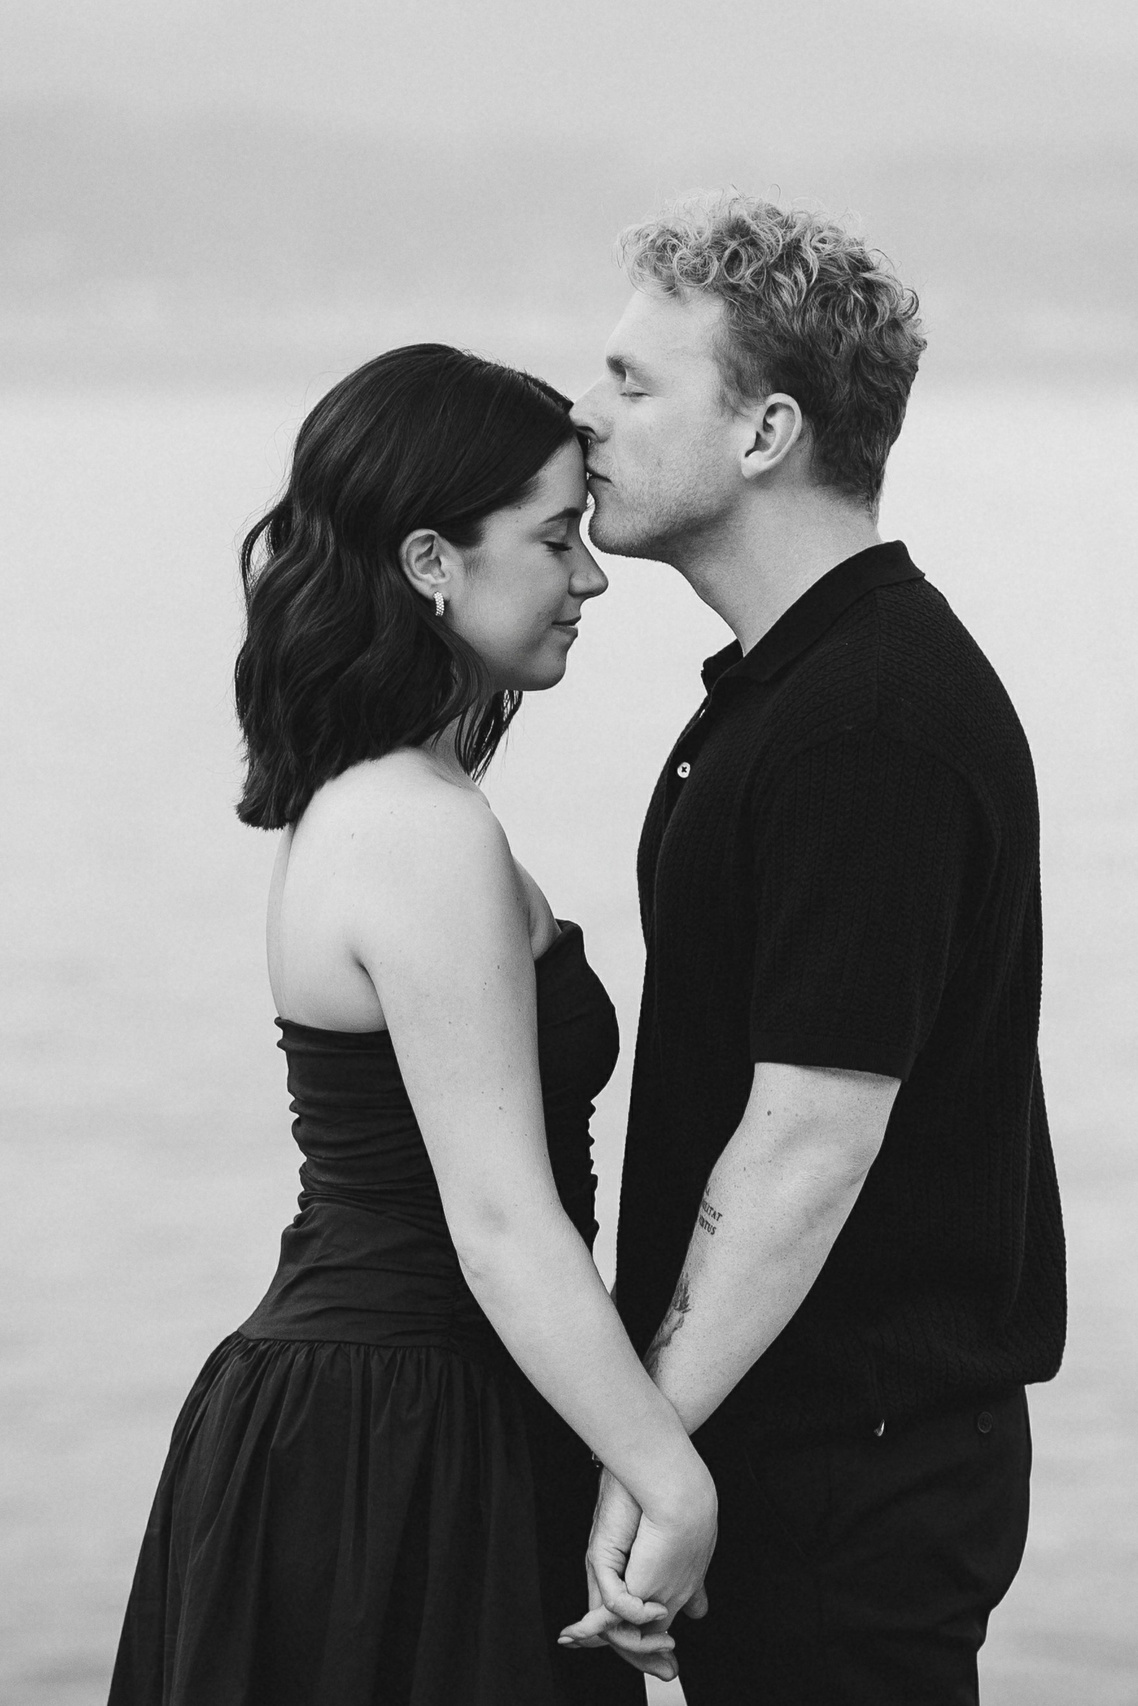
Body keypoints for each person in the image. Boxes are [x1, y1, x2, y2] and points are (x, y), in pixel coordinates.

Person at [107, 344, 715, 1706]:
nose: (592, 575)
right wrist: (669, 1476)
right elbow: (499, 1224)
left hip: (412, 1413)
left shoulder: (384, 806)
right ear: (432, 558)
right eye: (556, 538)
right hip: (391, 1435)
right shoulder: (413, 830)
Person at [561, 197, 1066, 1703]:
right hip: (797, 1439)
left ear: (767, 428)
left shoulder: (867, 723)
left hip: (861, 1462)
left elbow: (805, 1147)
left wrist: (641, 1450)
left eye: (634, 383)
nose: (584, 416)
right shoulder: (789, 690)